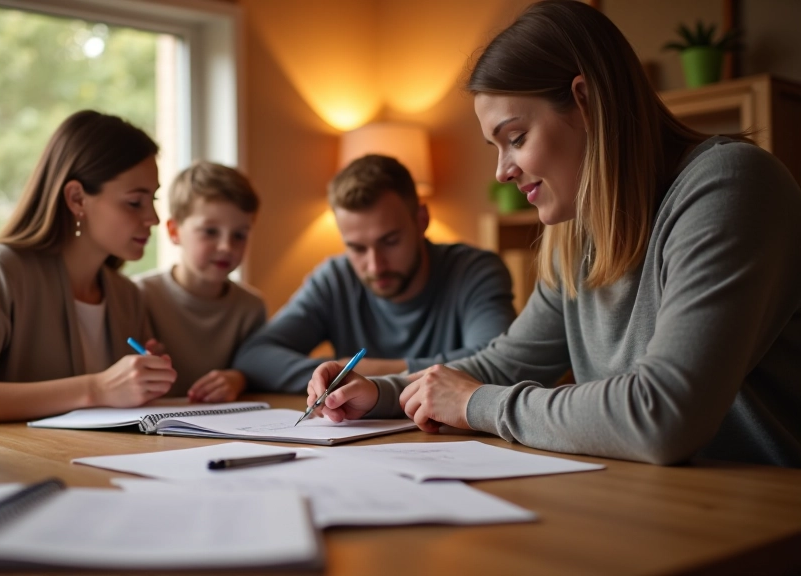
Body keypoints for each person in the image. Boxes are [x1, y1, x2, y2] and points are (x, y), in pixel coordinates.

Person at [306, 0, 801, 467]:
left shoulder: (731, 186)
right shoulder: (577, 235)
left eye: (516, 138)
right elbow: (505, 365)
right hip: (647, 501)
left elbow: (664, 414)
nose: (502, 171)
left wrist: (477, 404)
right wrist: (380, 392)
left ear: (585, 103)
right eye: (496, 147)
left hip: (761, 508)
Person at [0, 110, 177, 425]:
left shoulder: (127, 295)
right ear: (77, 199)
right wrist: (97, 389)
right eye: (135, 202)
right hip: (17, 457)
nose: (153, 218)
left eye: (153, 200)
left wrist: (145, 381)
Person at [234, 154, 516, 392]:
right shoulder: (335, 279)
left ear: (421, 220)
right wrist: (338, 374)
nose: (375, 266)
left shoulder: (475, 271)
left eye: (390, 241)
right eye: (357, 248)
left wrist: (370, 374)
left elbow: (502, 363)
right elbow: (255, 357)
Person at [134, 161, 266, 402]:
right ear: (174, 231)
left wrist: (238, 379)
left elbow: (258, 368)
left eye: (239, 235)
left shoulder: (251, 307)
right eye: (210, 231)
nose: (226, 246)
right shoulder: (139, 295)